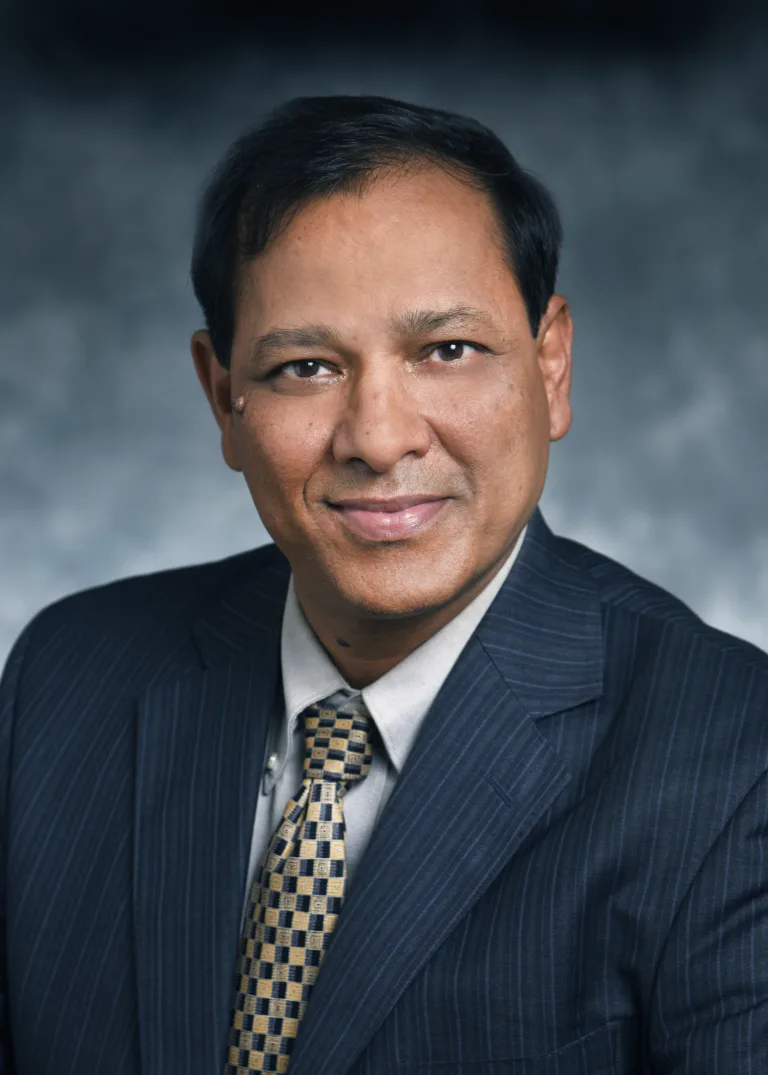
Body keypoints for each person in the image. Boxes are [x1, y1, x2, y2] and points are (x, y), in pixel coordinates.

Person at [1, 93, 767, 1075]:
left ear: (551, 365)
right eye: (306, 366)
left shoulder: (732, 751)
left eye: (447, 351)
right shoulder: (70, 677)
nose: (377, 436)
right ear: (220, 396)